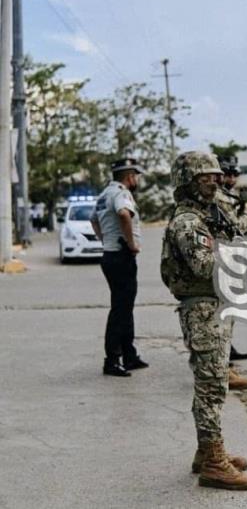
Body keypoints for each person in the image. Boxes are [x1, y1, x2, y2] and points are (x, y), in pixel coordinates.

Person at [160, 151, 247, 491]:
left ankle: (207, 451)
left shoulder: (207, 214)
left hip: (212, 305)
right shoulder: (187, 222)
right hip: (202, 310)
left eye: (217, 176)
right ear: (189, 181)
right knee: (212, 386)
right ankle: (214, 463)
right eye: (207, 177)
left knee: (212, 382)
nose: (216, 181)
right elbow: (204, 266)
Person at [90, 158, 148, 377]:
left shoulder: (104, 194)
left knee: (124, 308)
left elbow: (93, 219)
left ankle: (129, 355)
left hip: (110, 255)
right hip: (122, 256)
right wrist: (131, 243)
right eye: (136, 176)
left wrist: (106, 240)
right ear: (129, 176)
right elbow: (124, 215)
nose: (136, 180)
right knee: (120, 310)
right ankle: (112, 361)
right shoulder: (122, 194)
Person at [216, 155, 247, 367]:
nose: (232, 178)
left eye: (234, 174)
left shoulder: (230, 196)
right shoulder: (220, 198)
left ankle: (227, 348)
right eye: (227, 174)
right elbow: (237, 226)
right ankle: (222, 354)